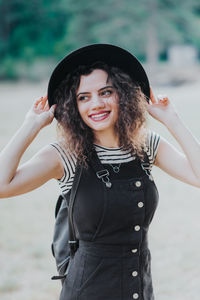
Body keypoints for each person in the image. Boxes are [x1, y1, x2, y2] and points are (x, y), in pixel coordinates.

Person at [0, 44, 200, 300]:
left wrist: (172, 119)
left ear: (124, 94)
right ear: (74, 105)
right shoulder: (65, 155)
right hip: (87, 292)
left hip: (139, 291)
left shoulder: (146, 145)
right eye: (83, 97)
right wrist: (31, 125)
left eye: (106, 92)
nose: (96, 104)